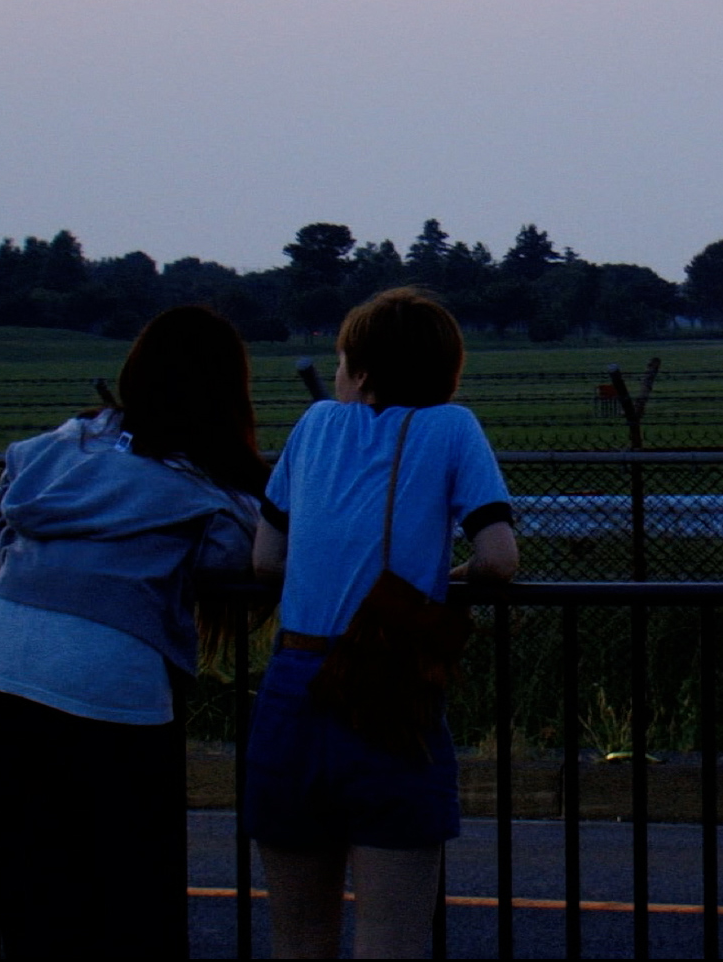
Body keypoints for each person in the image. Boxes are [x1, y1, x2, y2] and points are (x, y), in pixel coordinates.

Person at [0, 305, 269, 957]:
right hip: (109, 674)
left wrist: (48, 559)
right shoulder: (197, 480)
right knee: (133, 889)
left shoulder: (63, 445)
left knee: (31, 886)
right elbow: (233, 555)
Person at [248, 287, 517, 958]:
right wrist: (439, 582)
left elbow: (266, 559)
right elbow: (498, 557)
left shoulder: (313, 425)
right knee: (392, 934)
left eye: (342, 361)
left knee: (297, 935)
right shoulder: (452, 428)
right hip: (388, 683)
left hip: (293, 684)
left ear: (362, 372)